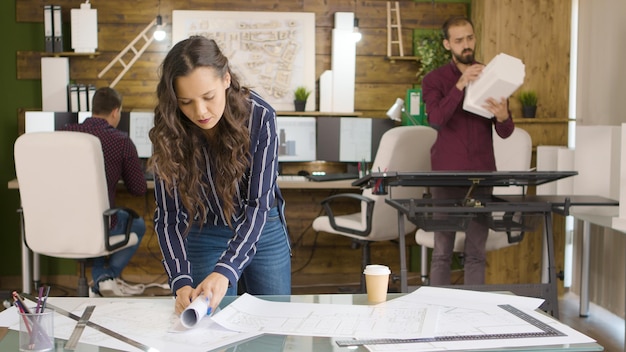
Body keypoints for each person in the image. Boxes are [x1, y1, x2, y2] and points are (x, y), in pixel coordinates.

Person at [148, 36, 291, 315]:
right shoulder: (168, 129)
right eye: (186, 102)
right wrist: (180, 281)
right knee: (207, 327)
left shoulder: (260, 117)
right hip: (206, 228)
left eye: (208, 97)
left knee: (271, 324)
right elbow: (169, 216)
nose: (200, 112)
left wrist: (226, 270)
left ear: (226, 79)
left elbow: (258, 206)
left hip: (261, 228)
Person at [421, 16, 515, 285]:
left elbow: (505, 132)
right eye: (459, 40)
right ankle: (437, 316)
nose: (466, 45)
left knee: (476, 253)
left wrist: (503, 116)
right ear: (447, 44)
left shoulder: (492, 76)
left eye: (470, 38)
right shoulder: (434, 80)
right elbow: (436, 119)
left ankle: (473, 320)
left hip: (482, 176)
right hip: (446, 176)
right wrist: (460, 85)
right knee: (442, 252)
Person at [62, 87, 148, 296]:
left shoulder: (65, 133)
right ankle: (105, 276)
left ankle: (101, 279)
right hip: (101, 224)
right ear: (116, 111)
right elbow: (138, 189)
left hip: (64, 222)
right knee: (135, 224)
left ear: (93, 109)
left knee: (101, 223)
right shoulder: (120, 141)